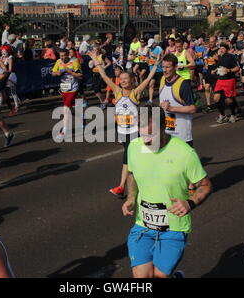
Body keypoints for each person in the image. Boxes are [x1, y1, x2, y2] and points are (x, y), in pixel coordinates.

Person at [122, 106, 212, 278]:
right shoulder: (134, 147)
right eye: (143, 132)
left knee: (160, 276)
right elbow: (132, 175)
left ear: (164, 127)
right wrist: (131, 197)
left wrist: (190, 202)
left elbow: (206, 185)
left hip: (174, 227)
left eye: (152, 133)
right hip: (143, 225)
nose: (147, 139)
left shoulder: (185, 153)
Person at [90, 51, 162, 197]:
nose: (122, 81)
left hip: (134, 132)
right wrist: (94, 59)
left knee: (128, 158)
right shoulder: (117, 91)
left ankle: (123, 186)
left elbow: (148, 78)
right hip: (122, 131)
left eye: (125, 79)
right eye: (121, 79)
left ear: (131, 81)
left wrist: (156, 64)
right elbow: (103, 76)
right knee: (130, 158)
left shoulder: (135, 93)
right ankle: (137, 182)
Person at [159, 54, 197, 147]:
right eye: (163, 67)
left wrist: (171, 108)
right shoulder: (162, 79)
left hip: (182, 135)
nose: (165, 70)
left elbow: (192, 108)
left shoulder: (183, 84)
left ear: (175, 67)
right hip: (167, 133)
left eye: (168, 67)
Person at [52, 49, 83, 140]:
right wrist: (56, 73)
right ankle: (81, 116)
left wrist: (70, 72)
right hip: (64, 89)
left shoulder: (74, 62)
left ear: (68, 55)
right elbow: (53, 73)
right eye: (61, 55)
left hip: (73, 88)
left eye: (64, 55)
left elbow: (80, 76)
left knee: (65, 109)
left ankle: (64, 131)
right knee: (69, 108)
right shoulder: (58, 62)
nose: (63, 57)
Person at [214, 43, 241, 124]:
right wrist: (215, 71)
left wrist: (229, 70)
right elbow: (220, 67)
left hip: (229, 80)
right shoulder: (219, 57)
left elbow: (237, 68)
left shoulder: (231, 57)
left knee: (229, 99)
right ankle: (222, 115)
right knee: (216, 98)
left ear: (227, 49)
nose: (221, 50)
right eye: (220, 48)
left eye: (223, 48)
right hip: (220, 80)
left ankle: (233, 114)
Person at [147, 39, 164, 104]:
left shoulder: (159, 48)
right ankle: (150, 100)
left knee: (162, 85)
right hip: (152, 69)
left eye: (151, 45)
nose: (150, 47)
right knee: (151, 85)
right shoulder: (150, 49)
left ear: (154, 43)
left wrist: (156, 56)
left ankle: (162, 99)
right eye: (149, 46)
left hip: (159, 70)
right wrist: (148, 60)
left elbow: (163, 58)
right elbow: (150, 58)